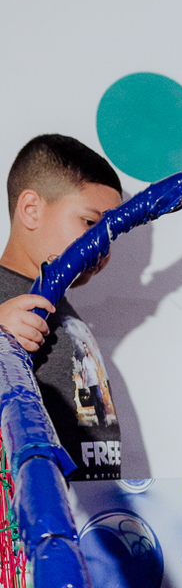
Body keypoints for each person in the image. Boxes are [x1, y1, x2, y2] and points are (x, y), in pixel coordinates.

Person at [0, 135, 123, 478]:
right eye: (89, 223)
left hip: (92, 515)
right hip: (36, 520)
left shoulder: (62, 305)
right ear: (31, 210)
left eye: (111, 235)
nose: (102, 247)